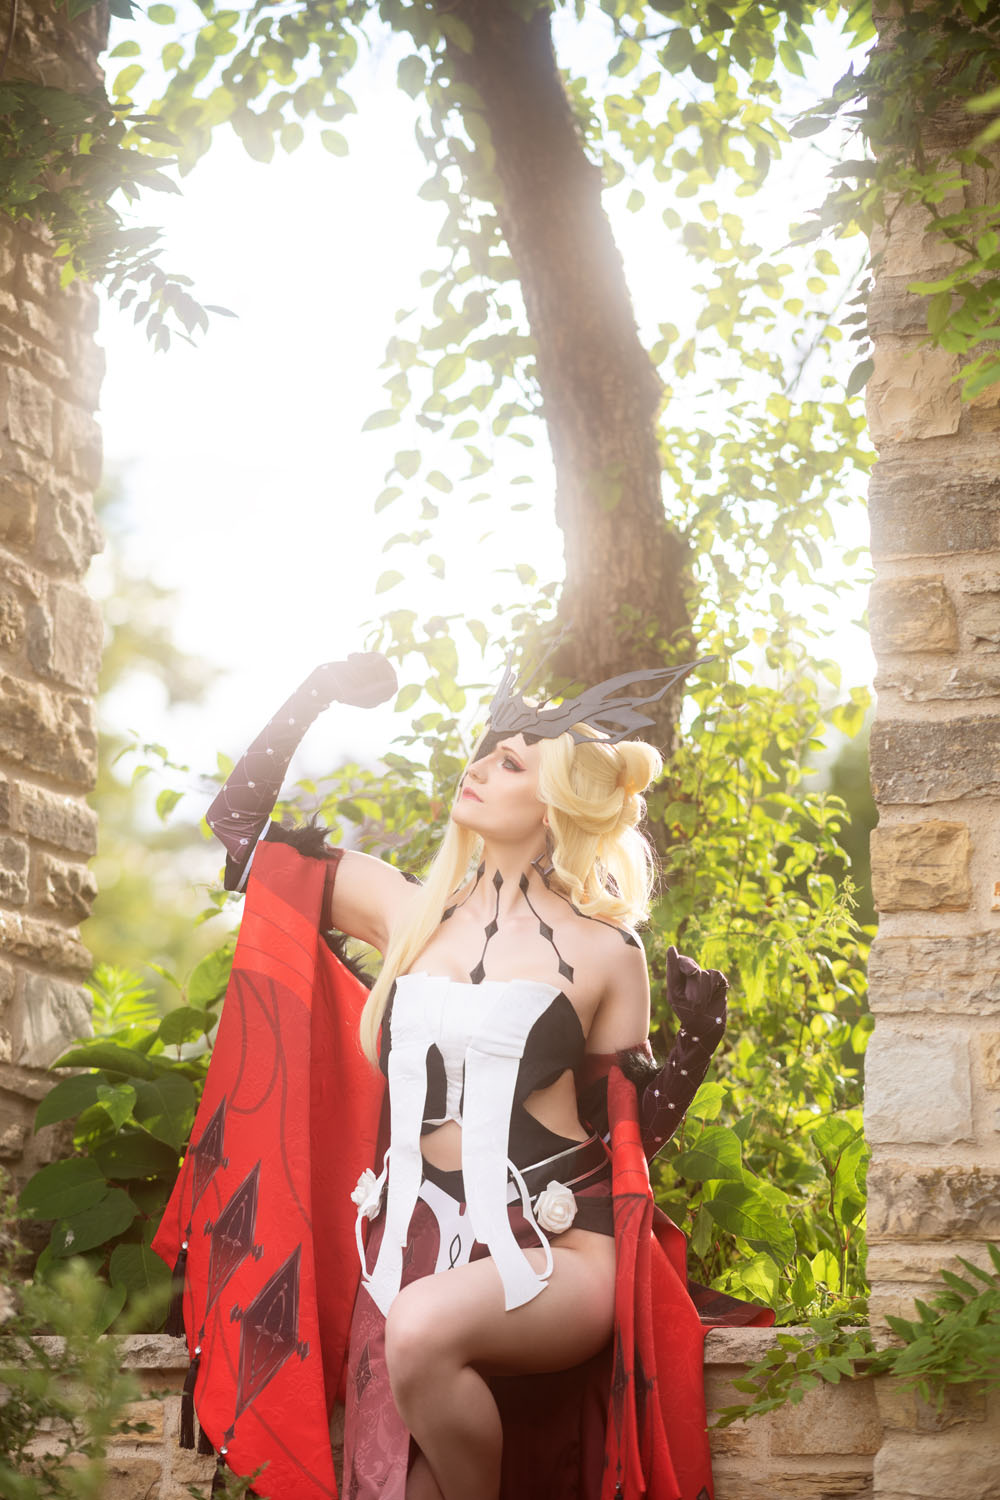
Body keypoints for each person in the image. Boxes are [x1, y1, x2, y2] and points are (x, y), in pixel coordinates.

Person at [153, 651, 772, 1500]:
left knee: (419, 1329)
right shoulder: (407, 913)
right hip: (411, 1254)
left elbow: (627, 1139)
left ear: (554, 805)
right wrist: (315, 693)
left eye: (509, 762)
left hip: (560, 1251)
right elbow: (239, 838)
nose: (477, 768)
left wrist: (694, 1048)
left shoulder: (605, 951)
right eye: (484, 751)